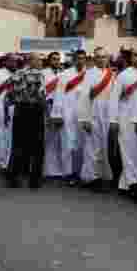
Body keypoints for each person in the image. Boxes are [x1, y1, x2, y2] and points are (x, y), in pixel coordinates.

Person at [7, 52, 49, 188]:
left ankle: (13, 177)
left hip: (20, 110)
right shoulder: (38, 74)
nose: (41, 62)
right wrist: (45, 109)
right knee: (37, 146)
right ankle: (34, 180)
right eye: (39, 60)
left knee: (18, 144)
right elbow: (41, 94)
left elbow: (10, 93)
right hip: (34, 110)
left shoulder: (17, 73)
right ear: (31, 61)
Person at [112, 49, 137, 200]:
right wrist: (113, 120)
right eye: (136, 55)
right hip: (126, 118)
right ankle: (135, 185)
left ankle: (124, 184)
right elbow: (114, 99)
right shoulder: (124, 75)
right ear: (131, 58)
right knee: (128, 152)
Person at [79, 46, 116, 187]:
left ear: (108, 59)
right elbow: (84, 97)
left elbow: (114, 97)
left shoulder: (112, 74)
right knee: (92, 147)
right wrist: (85, 119)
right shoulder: (89, 74)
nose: (102, 59)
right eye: (99, 57)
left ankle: (102, 175)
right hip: (93, 112)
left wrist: (114, 117)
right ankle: (90, 177)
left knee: (104, 147)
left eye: (104, 57)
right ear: (94, 59)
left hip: (107, 113)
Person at [54, 49, 88, 184]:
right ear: (74, 59)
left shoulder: (90, 74)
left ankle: (81, 172)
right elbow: (58, 94)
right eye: (78, 58)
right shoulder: (65, 74)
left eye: (83, 58)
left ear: (86, 60)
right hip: (67, 113)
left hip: (84, 114)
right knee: (68, 143)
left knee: (83, 144)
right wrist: (57, 114)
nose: (80, 61)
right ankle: (68, 172)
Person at [43, 52, 67, 178]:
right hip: (48, 107)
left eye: (58, 59)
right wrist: (47, 112)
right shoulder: (44, 73)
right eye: (54, 59)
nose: (56, 61)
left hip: (61, 109)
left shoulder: (64, 73)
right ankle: (48, 169)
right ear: (49, 60)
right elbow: (43, 93)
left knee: (60, 139)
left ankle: (60, 168)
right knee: (48, 139)